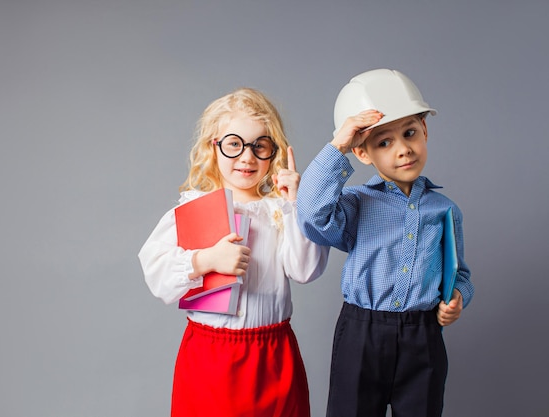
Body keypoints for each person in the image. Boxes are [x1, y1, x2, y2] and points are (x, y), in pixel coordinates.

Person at [138, 87, 329, 417]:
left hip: (274, 354)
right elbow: (156, 273)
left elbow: (306, 270)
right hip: (211, 356)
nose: (247, 157)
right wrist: (206, 260)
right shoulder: (194, 209)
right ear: (214, 147)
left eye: (260, 145)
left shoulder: (279, 211)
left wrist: (297, 204)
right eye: (234, 144)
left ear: (274, 151)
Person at [296, 69, 475, 417]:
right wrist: (338, 146)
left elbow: (461, 274)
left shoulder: (445, 210)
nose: (404, 150)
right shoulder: (355, 203)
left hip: (423, 337)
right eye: (384, 142)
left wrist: (457, 298)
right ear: (363, 153)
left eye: (410, 133)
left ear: (425, 130)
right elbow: (312, 216)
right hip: (362, 333)